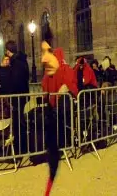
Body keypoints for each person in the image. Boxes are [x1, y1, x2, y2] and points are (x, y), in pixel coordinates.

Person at [38, 29, 77, 195]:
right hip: (55, 108)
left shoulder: (65, 69)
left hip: (62, 109)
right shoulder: (55, 69)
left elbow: (71, 86)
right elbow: (46, 86)